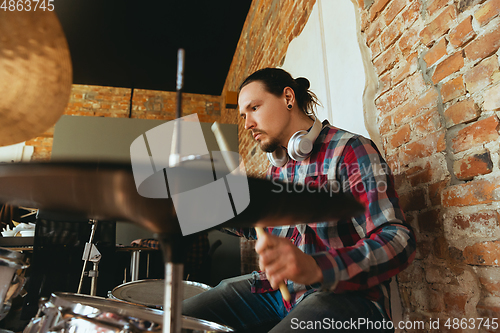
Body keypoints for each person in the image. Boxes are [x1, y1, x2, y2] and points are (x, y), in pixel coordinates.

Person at [182, 68, 416, 332]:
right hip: (281, 293)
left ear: (288, 98)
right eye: (243, 115)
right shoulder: (278, 169)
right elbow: (260, 226)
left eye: (254, 108)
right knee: (182, 320)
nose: (247, 124)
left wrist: (317, 267)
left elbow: (397, 238)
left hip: (346, 297)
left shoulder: (349, 150)